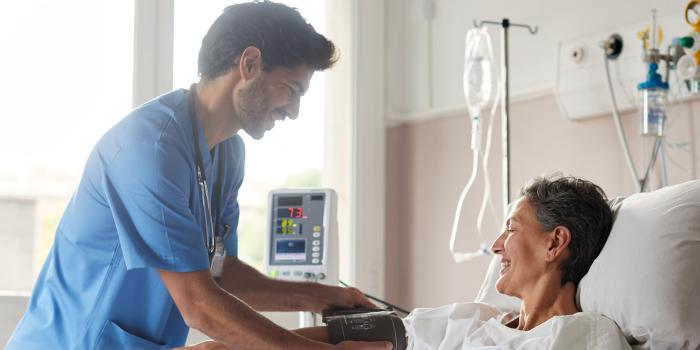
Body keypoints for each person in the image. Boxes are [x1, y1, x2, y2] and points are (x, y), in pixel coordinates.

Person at [6, 2, 390, 349]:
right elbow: (199, 305)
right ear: (250, 64)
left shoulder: (227, 154)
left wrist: (318, 296)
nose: (293, 112)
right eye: (289, 90)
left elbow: (219, 275)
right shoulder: (149, 149)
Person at [287, 175, 632, 349]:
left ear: (555, 242)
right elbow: (353, 334)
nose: (497, 246)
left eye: (511, 229)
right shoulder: (471, 320)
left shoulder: (584, 334)